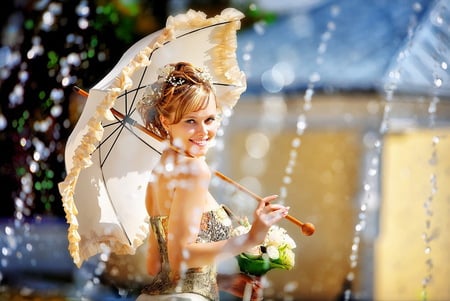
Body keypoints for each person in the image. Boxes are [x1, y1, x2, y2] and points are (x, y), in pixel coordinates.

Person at [135, 62, 290, 301]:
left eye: (209, 119)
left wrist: (221, 281)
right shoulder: (194, 170)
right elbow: (180, 257)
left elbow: (156, 265)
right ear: (166, 122)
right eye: (190, 121)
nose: (203, 131)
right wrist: (251, 238)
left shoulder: (159, 171)